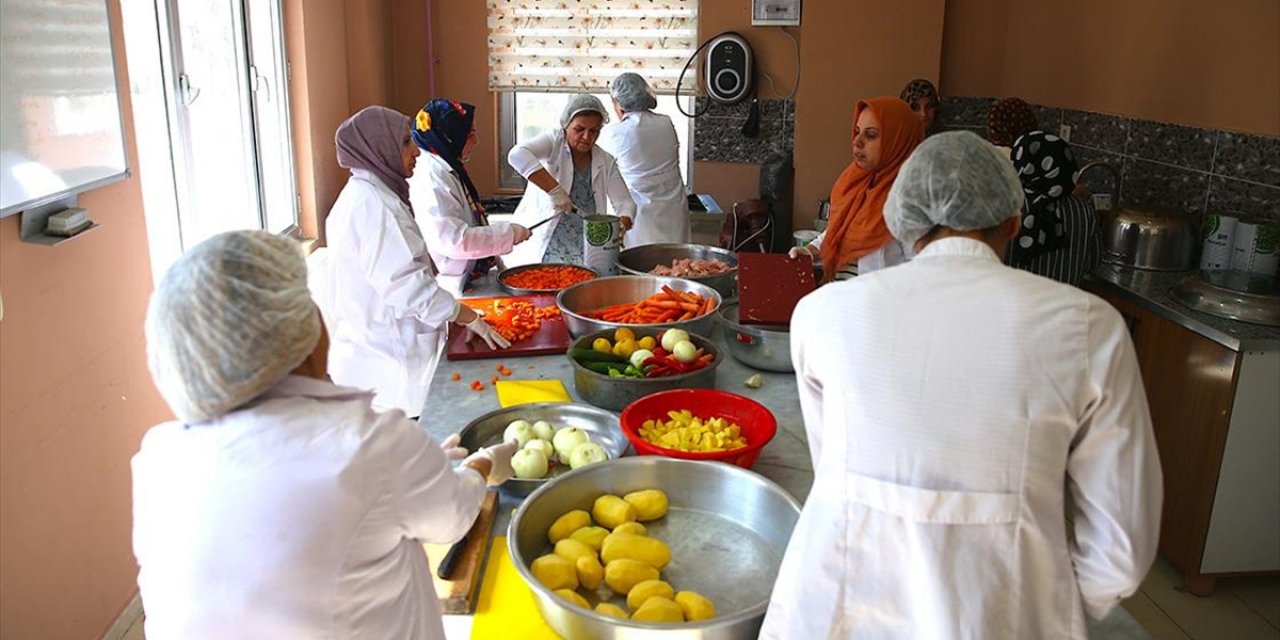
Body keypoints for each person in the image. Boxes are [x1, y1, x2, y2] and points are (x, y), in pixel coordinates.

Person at [761, 131, 1162, 639]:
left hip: (831, 610)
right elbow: (1120, 554)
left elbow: (835, 467)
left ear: (901, 219)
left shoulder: (822, 313)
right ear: (1014, 220)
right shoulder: (1088, 328)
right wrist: (1040, 600)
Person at [133, 230, 518, 640]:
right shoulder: (371, 444)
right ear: (299, 330)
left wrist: (419, 470)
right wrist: (483, 463)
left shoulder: (159, 458)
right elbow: (453, 519)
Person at [324, 106, 509, 417]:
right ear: (380, 149)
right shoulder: (375, 208)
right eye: (406, 144)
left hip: (380, 351)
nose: (417, 153)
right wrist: (462, 314)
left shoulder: (369, 195)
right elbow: (407, 288)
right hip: (389, 363)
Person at [788, 97, 925, 280]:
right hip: (843, 297)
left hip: (877, 304)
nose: (857, 142)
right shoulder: (855, 182)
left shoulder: (912, 200)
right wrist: (813, 251)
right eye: (857, 131)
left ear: (897, 141)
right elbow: (839, 230)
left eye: (871, 135)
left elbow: (921, 271)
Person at [408, 99, 531, 295]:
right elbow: (453, 240)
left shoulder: (447, 165)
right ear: (451, 136)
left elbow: (469, 221)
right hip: (449, 281)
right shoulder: (431, 177)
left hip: (467, 274)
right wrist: (508, 233)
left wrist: (495, 254)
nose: (476, 141)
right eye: (470, 135)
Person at [506, 94, 636, 266]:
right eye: (579, 129)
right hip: (548, 241)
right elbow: (516, 155)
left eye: (594, 131)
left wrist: (622, 224)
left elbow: (626, 203)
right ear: (566, 125)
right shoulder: (553, 142)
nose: (586, 137)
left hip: (587, 244)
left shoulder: (605, 161)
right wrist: (554, 191)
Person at [597, 72, 690, 246]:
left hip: (640, 208)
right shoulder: (665, 122)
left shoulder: (619, 132)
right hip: (673, 206)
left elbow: (603, 167)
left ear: (618, 103)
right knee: (675, 260)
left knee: (641, 261)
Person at [1007, 130, 1101, 286]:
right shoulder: (1084, 211)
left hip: (1012, 307)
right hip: (1063, 306)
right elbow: (1093, 262)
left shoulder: (1006, 207)